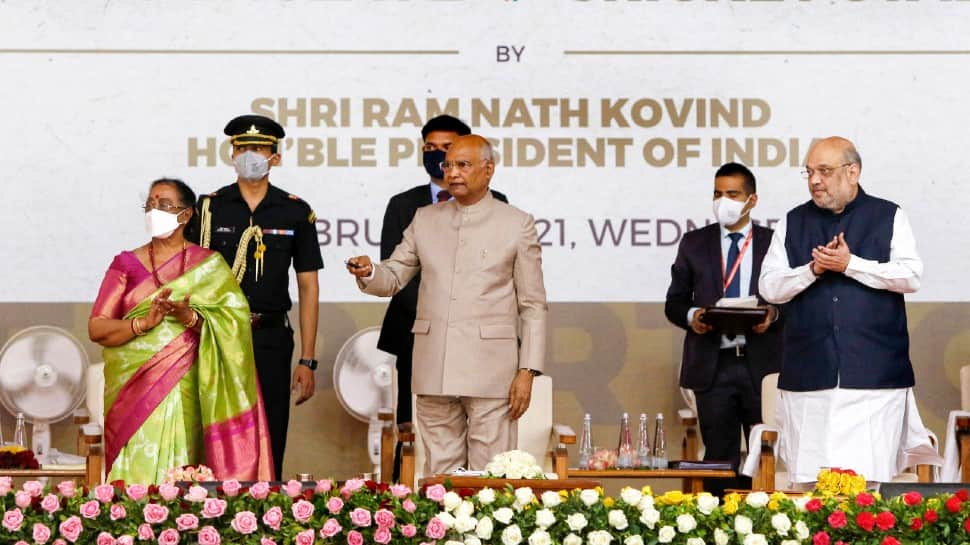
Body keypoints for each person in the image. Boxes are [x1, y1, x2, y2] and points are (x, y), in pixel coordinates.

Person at [347, 134, 547, 474]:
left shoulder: (516, 223)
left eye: (463, 165)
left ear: (488, 170)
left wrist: (527, 371)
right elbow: (393, 276)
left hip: (491, 370)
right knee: (440, 477)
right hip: (433, 365)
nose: (453, 173)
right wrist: (369, 272)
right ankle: (445, 530)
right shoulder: (425, 219)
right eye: (449, 165)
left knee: (491, 477)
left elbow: (533, 305)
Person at [759, 136, 939, 485]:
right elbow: (769, 287)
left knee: (868, 489)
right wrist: (811, 271)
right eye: (809, 172)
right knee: (809, 486)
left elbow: (911, 275)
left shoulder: (888, 215)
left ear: (852, 172)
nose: (814, 181)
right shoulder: (792, 221)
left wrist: (850, 264)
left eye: (824, 171)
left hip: (874, 381)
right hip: (809, 381)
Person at [89, 178, 273, 484]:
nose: (153, 211)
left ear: (186, 215)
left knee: (183, 477)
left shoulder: (210, 266)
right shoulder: (125, 264)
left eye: (163, 205)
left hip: (187, 389)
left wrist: (190, 317)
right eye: (149, 204)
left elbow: (233, 327)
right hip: (132, 392)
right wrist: (142, 324)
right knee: (133, 478)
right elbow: (97, 327)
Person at [192, 115, 323, 479]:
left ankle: (266, 511)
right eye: (243, 148)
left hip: (270, 337)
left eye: (259, 149)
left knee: (271, 429)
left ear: (275, 157)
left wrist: (308, 360)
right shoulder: (209, 207)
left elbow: (308, 287)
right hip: (216, 336)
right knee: (216, 427)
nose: (250, 155)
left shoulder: (296, 211)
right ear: (231, 154)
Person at [376, 115, 507, 443]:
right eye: (430, 148)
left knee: (479, 432)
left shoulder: (499, 206)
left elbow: (495, 274)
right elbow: (397, 272)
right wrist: (438, 312)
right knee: (416, 433)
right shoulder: (404, 205)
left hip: (475, 338)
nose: (438, 157)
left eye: (446, 149)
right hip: (416, 332)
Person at [664, 162, 783, 495]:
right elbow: (673, 303)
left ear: (752, 200)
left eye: (733, 194)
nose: (723, 201)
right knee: (719, 459)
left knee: (765, 455)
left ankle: (764, 527)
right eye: (718, 193)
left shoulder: (774, 243)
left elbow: (792, 300)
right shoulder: (693, 243)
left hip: (762, 365)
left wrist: (772, 315)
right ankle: (721, 526)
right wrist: (693, 316)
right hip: (713, 366)